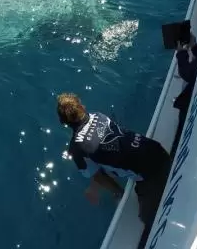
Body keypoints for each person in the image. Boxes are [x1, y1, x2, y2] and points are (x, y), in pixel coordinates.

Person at [57, 93, 171, 249]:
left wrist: (118, 192)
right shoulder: (99, 115)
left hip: (149, 173)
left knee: (147, 219)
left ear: (63, 122)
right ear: (82, 107)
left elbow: (99, 177)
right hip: (156, 149)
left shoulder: (77, 149)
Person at [170, 31, 197, 157]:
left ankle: (175, 155)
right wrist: (194, 46)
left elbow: (188, 73)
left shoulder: (194, 67)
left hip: (192, 100)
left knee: (181, 131)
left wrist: (181, 52)